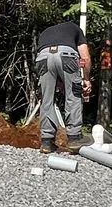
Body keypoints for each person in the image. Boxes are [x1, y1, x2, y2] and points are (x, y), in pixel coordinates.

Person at [34, 16, 91, 154]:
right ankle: (74, 138)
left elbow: (53, 62)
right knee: (74, 95)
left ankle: (47, 142)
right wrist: (87, 79)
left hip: (43, 58)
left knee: (46, 100)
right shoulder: (75, 28)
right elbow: (85, 57)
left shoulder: (45, 32)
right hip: (67, 56)